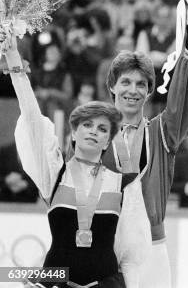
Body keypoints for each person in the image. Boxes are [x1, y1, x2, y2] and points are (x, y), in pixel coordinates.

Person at [1, 30, 150, 288]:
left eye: (103, 129)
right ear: (74, 133)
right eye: (87, 125)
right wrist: (16, 67)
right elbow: (33, 121)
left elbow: (133, 257)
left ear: (108, 141)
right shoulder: (55, 174)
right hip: (55, 282)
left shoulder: (125, 185)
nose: (94, 131)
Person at [101, 0, 188, 287]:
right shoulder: (95, 133)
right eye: (125, 82)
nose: (132, 90)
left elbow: (186, 94)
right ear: (112, 86)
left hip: (152, 249)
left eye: (140, 84)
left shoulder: (162, 132)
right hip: (103, 251)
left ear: (150, 91)